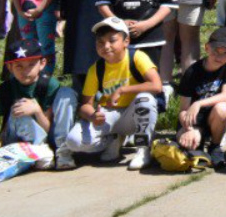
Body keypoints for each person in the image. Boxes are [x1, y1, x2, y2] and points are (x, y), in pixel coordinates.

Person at [67, 18, 162, 170]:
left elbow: (157, 86)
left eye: (112, 40)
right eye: (100, 42)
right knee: (73, 141)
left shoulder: (137, 57)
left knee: (145, 99)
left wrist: (122, 90)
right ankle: (112, 140)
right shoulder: (96, 68)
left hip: (133, 114)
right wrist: (92, 116)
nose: (106, 46)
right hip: (109, 114)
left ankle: (143, 148)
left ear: (126, 41)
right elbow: (85, 105)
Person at [0, 36, 78, 170]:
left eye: (31, 65)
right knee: (20, 108)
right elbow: (5, 127)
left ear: (42, 63)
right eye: (19, 66)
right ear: (10, 67)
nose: (26, 71)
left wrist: (37, 110)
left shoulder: (48, 85)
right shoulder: (6, 88)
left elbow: (48, 128)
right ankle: (35, 154)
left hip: (46, 136)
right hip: (17, 137)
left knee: (67, 93)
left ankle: (62, 152)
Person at [174, 26, 226, 167]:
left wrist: (199, 103)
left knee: (223, 108)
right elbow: (183, 110)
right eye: (216, 51)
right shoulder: (192, 72)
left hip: (213, 119)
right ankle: (197, 142)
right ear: (207, 48)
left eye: (225, 53)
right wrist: (189, 130)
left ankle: (214, 146)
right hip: (192, 122)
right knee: (190, 145)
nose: (219, 57)